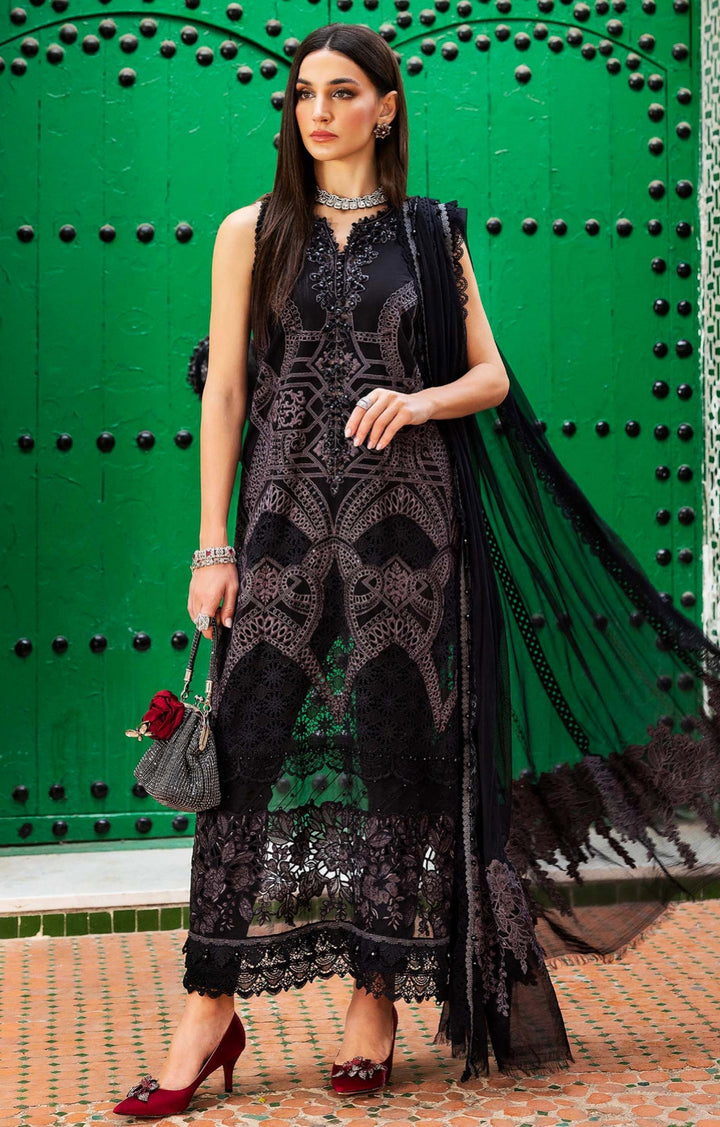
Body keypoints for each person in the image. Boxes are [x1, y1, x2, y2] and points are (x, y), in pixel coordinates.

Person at [114, 21, 720, 1118]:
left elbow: (489, 377)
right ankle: (208, 1008)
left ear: (387, 108)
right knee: (244, 753)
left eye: (343, 92)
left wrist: (419, 398)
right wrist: (211, 545)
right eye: (304, 94)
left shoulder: (432, 235)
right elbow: (227, 392)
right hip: (282, 522)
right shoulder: (252, 231)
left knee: (399, 750)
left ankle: (375, 998)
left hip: (408, 528)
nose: (319, 112)